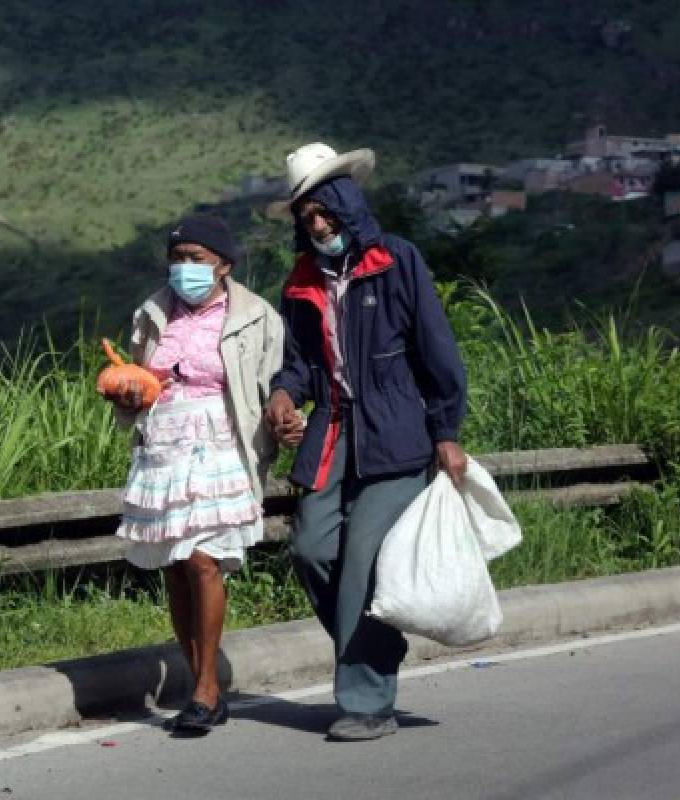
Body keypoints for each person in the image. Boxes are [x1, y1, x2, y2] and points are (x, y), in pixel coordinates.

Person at [265, 143, 469, 741]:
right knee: (310, 547)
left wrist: (447, 432)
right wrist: (282, 394)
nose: (316, 224)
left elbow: (437, 353)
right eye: (306, 217)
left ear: (347, 203)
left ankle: (367, 703)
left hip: (397, 434)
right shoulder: (302, 279)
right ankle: (376, 649)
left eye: (323, 211)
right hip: (333, 431)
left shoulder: (396, 260)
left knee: (359, 564)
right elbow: (299, 362)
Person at [103, 214, 285, 734]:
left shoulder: (256, 317)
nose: (185, 269)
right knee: (176, 566)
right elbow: (138, 387)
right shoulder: (151, 315)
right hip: (163, 446)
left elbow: (276, 382)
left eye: (197, 259)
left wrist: (284, 417)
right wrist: (129, 394)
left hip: (221, 443)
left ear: (224, 265)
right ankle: (200, 677)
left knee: (205, 560)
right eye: (178, 259)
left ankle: (206, 687)